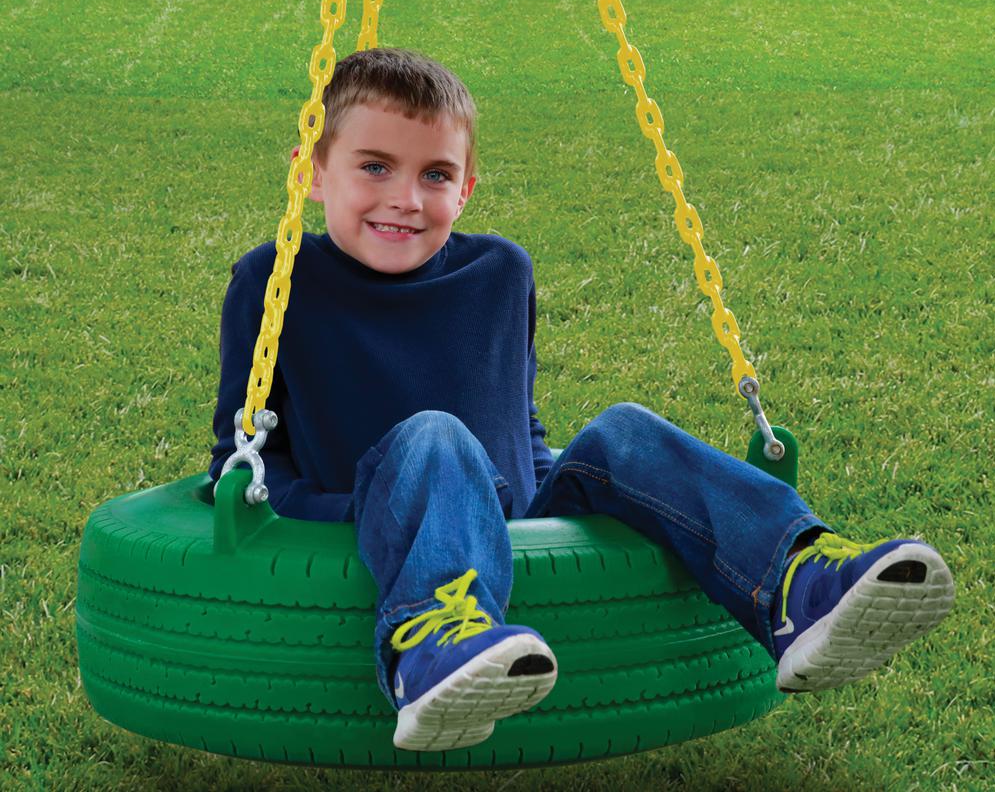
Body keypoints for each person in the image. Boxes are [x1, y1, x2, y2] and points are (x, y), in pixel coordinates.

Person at [209, 48, 955, 753]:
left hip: (517, 512)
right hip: (381, 514)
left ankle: (800, 583)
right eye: (374, 167)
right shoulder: (274, 283)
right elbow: (242, 468)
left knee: (624, 432)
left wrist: (574, 477)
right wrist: (358, 515)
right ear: (313, 173)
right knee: (436, 435)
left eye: (436, 175)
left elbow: (515, 419)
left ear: (466, 187)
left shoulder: (501, 272)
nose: (406, 200)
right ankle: (432, 648)